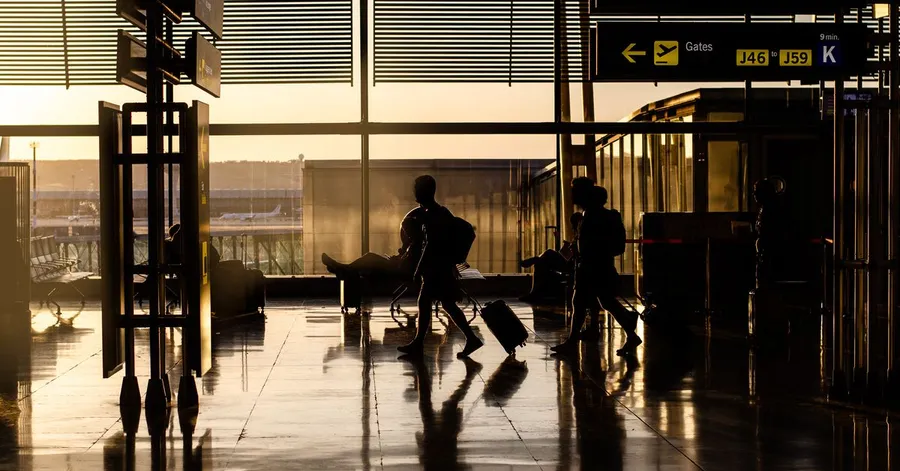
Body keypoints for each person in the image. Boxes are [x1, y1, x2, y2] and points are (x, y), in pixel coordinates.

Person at [552, 179, 641, 356]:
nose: (573, 195)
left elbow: (592, 243)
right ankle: (630, 333)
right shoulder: (594, 215)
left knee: (585, 302)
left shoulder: (591, 217)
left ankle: (572, 342)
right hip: (597, 266)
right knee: (603, 301)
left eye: (575, 191)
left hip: (592, 267)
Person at [398, 175, 483, 358]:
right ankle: (469, 338)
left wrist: (418, 269)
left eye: (416, 189)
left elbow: (431, 245)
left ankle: (419, 344)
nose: (414, 193)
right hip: (441, 266)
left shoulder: (432, 215)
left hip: (436, 268)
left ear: (424, 191)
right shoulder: (439, 212)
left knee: (429, 301)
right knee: (445, 304)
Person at [321, 206, 425, 280]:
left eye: (407, 231)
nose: (405, 234)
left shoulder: (416, 246)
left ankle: (344, 269)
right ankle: (344, 269)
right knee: (369, 260)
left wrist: (397, 259)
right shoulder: (417, 244)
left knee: (370, 258)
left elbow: (407, 265)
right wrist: (399, 257)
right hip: (398, 268)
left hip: (398, 270)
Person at [519, 212, 582, 305]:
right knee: (542, 261)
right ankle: (536, 260)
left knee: (547, 254)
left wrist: (572, 248)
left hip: (572, 264)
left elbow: (578, 253)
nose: (572, 227)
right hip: (569, 261)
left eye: (573, 224)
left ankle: (536, 260)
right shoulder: (580, 234)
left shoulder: (583, 235)